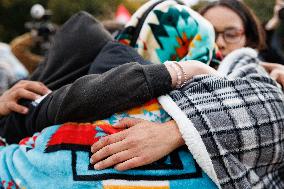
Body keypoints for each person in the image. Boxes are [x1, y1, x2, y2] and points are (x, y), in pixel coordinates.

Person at [0, 1, 284, 188]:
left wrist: (178, 131)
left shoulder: (257, 80)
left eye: (231, 33)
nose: (221, 45)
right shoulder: (112, 77)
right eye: (213, 36)